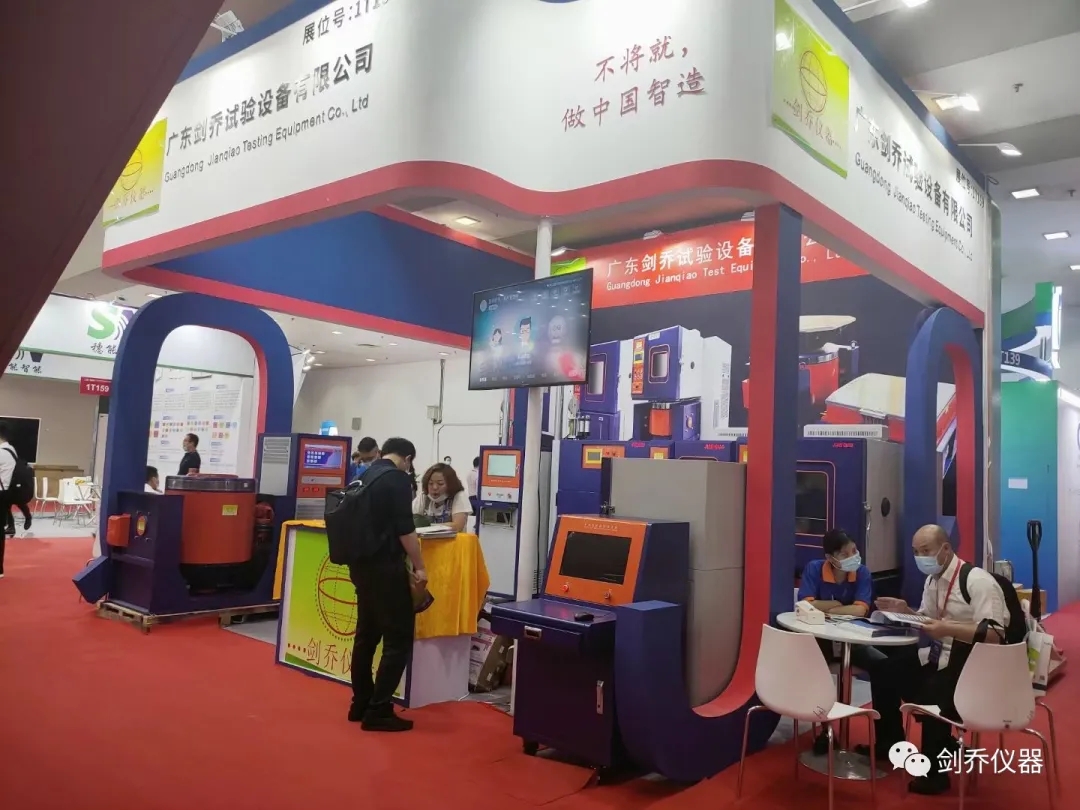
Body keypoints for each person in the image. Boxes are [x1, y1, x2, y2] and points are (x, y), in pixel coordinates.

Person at [858, 524, 1008, 795]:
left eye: (925, 550)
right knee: (884, 668)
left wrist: (947, 628)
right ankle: (889, 743)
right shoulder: (933, 580)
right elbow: (928, 620)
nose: (920, 557)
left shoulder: (977, 581)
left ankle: (935, 773)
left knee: (932, 690)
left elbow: (996, 633)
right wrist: (906, 611)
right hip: (941, 660)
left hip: (973, 667)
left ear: (946, 548)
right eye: (916, 552)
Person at [348, 437, 426, 732]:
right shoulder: (397, 480)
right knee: (398, 639)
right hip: (385, 568)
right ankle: (379, 709)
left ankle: (360, 702)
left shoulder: (365, 474)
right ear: (408, 459)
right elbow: (405, 529)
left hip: (361, 566)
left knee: (366, 636)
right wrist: (419, 566)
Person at [797, 528, 886, 754]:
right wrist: (841, 606)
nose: (852, 557)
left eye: (854, 551)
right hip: (822, 639)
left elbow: (861, 609)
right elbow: (805, 605)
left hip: (855, 640)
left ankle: (885, 740)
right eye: (845, 554)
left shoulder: (862, 573)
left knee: (883, 666)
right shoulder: (814, 569)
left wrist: (827, 607)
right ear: (830, 557)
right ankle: (825, 730)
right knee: (817, 671)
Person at [412, 463, 472, 533]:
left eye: (440, 484)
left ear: (450, 484)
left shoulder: (459, 496)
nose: (435, 487)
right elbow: (410, 520)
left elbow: (457, 526)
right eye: (430, 483)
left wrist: (428, 526)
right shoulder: (423, 497)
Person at [0, 425, 31, 542]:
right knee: (8, 507)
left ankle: (15, 525)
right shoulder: (10, 449)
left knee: (7, 508)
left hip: (3, 488)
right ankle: (14, 526)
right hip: (11, 486)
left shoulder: (2, 452)